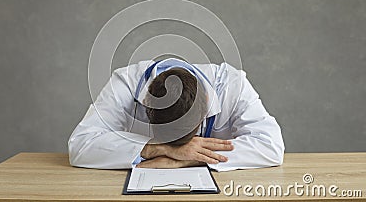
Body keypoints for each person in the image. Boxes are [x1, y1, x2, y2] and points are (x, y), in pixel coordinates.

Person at [68, 58, 285, 171]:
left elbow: (271, 146)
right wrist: (157, 149)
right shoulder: (125, 83)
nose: (178, 149)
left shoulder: (232, 84)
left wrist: (186, 160)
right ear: (146, 103)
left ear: (207, 101)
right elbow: (80, 145)